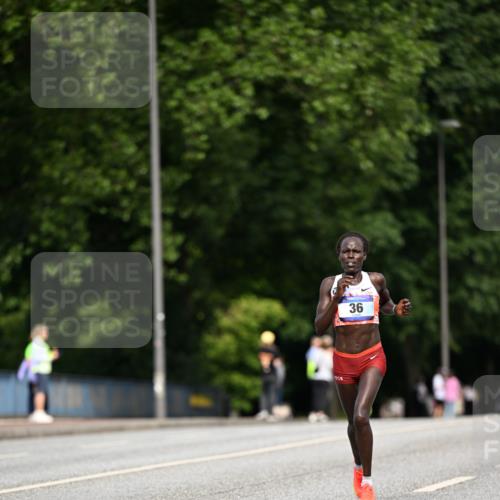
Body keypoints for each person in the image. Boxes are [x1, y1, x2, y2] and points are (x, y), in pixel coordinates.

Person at [315, 232, 411, 500]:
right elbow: (319, 326)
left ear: (365, 255)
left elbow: (387, 304)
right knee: (351, 423)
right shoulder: (329, 284)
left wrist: (397, 311)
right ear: (339, 255)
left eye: (356, 252)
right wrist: (337, 297)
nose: (351, 256)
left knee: (361, 416)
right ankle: (358, 468)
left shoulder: (376, 280)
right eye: (346, 252)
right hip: (343, 360)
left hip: (372, 356)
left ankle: (367, 482)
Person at [23, 324, 59, 423]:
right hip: (40, 370)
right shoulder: (39, 343)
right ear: (39, 333)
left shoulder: (36, 344)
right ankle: (39, 412)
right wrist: (53, 355)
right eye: (45, 332)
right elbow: (40, 357)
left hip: (37, 371)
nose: (47, 334)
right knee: (40, 392)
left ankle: (37, 412)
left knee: (37, 391)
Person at [255, 330, 280, 421]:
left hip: (264, 374)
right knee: (271, 393)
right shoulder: (274, 349)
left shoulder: (261, 349)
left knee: (264, 393)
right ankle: (270, 413)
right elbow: (278, 363)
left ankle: (263, 411)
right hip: (272, 374)